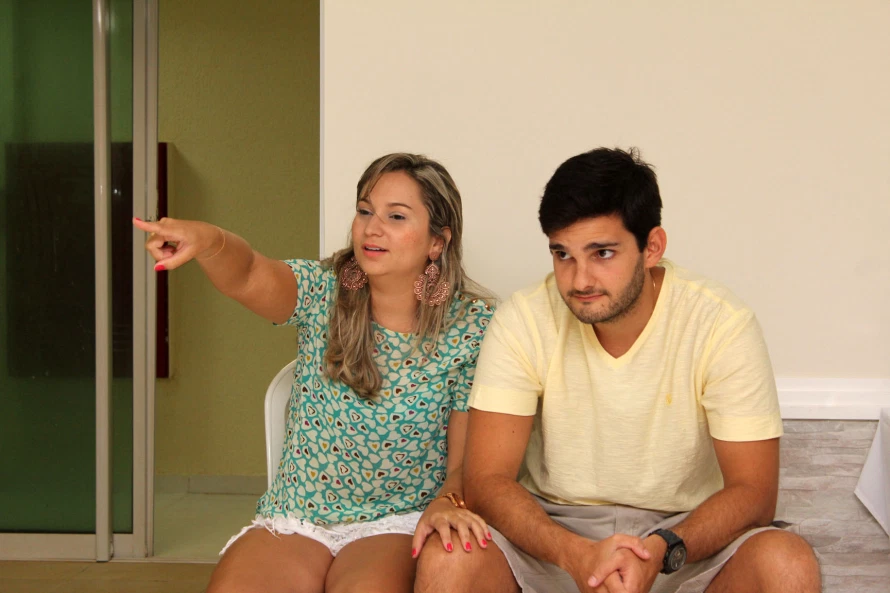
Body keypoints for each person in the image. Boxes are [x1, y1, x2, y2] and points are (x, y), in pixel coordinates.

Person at [415, 147, 821, 593]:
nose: (580, 280)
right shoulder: (524, 317)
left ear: (652, 247)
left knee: (786, 561)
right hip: (551, 535)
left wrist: (662, 550)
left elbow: (755, 493)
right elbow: (487, 481)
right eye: (563, 254)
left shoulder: (721, 323)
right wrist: (576, 554)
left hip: (682, 542)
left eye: (602, 253)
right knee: (448, 557)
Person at [134, 153, 495, 593]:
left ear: (437, 241)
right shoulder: (321, 289)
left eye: (396, 216)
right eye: (365, 211)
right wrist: (209, 241)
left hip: (396, 521)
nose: (372, 228)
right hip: (297, 515)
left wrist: (447, 503)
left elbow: (465, 462)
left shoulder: (472, 328)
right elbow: (249, 273)